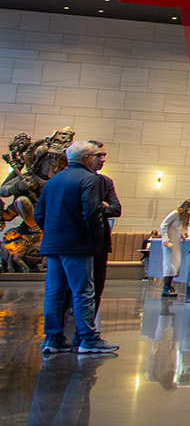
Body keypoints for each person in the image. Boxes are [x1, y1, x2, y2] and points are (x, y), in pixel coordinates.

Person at [37, 142, 117, 355]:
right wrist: (92, 237)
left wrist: (52, 232)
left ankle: (53, 339)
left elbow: (39, 213)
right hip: (77, 245)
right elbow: (91, 211)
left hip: (53, 245)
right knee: (83, 292)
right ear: (87, 158)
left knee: (54, 292)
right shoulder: (89, 179)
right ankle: (88, 339)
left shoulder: (53, 181)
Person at [82, 142, 121, 328]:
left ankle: (89, 328)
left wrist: (99, 207)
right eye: (99, 155)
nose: (103, 159)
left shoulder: (105, 182)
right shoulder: (75, 179)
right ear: (86, 157)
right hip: (78, 242)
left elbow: (116, 209)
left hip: (100, 242)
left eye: (104, 155)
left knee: (97, 287)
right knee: (70, 289)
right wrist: (101, 206)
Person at [158, 198, 190, 297]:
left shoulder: (183, 216)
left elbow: (177, 228)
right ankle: (165, 288)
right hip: (169, 242)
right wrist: (165, 239)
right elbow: (163, 225)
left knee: (175, 264)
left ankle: (169, 286)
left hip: (176, 242)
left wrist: (182, 235)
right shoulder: (176, 213)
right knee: (169, 264)